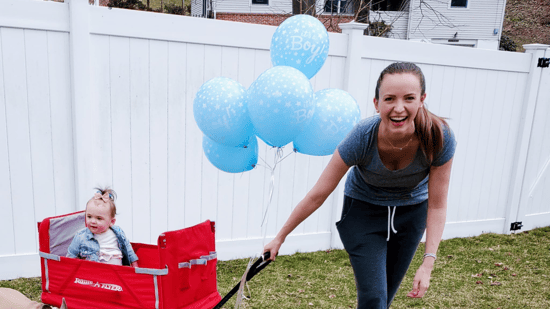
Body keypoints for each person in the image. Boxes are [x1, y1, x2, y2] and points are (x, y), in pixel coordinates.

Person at [263, 62, 456, 308]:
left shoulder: (439, 137)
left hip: (411, 214)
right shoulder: (361, 138)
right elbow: (319, 194)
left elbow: (437, 205)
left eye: (409, 98)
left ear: (422, 99)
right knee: (374, 298)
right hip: (363, 212)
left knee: (384, 298)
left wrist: (428, 263)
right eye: (389, 99)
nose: (399, 108)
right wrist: (280, 237)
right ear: (376, 103)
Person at [67, 187, 139, 267]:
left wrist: (135, 266)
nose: (93, 221)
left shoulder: (118, 232)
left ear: (111, 222)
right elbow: (71, 256)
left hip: (117, 274)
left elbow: (128, 250)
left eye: (99, 218)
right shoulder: (81, 236)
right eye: (89, 216)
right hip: (93, 275)